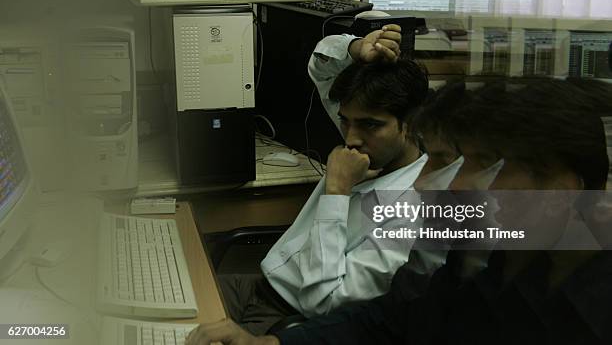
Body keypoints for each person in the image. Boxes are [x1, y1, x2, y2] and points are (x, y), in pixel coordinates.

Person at [187, 78, 612, 344]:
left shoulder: (590, 312)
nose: (442, 183)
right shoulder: (489, 258)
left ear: (560, 190)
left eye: (487, 166)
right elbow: (387, 320)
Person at [217, 25, 432, 335]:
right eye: (345, 121)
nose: (352, 138)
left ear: (410, 125)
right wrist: (357, 48)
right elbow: (321, 65)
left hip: (287, 321)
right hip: (257, 284)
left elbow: (325, 304)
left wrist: (337, 192)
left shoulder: (412, 211)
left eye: (369, 125)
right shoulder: (364, 138)